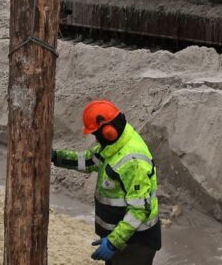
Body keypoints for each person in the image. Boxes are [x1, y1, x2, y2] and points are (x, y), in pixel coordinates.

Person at [52, 99, 161, 264]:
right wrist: (56, 157)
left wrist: (113, 243)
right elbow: (89, 160)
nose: (95, 139)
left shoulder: (133, 160)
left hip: (135, 242)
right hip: (122, 239)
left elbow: (139, 210)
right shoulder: (113, 145)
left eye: (96, 134)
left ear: (108, 131)